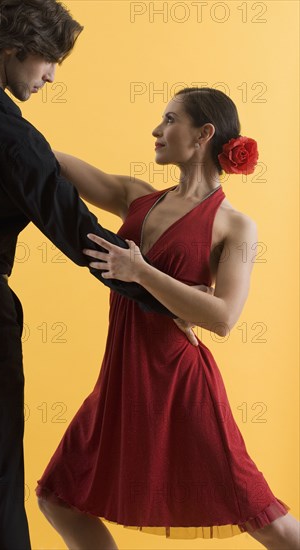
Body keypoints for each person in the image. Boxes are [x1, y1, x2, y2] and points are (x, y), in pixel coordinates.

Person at [0, 1, 199, 548]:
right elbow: (83, 239)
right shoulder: (11, 135)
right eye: (48, 61)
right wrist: (167, 301)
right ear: (13, 49)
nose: (51, 76)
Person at [36, 88, 300, 550]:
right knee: (58, 497)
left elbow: (223, 317)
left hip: (181, 385)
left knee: (265, 519)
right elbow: (50, 160)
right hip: (120, 380)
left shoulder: (235, 225)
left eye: (170, 119)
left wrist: (140, 271)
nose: (157, 131)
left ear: (204, 134)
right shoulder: (136, 197)